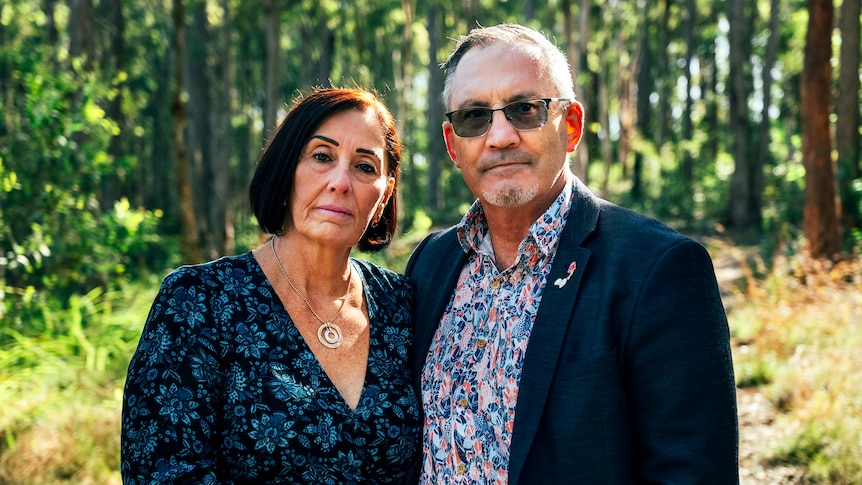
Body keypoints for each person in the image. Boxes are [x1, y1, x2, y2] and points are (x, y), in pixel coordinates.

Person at [405, 24, 739, 484]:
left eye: (525, 110)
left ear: (572, 125)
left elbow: (694, 472)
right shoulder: (430, 263)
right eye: (474, 117)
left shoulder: (657, 270)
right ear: (452, 145)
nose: (499, 136)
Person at [121, 87, 421, 484]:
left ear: (383, 197)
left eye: (365, 166)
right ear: (285, 172)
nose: (340, 181)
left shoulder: (402, 304)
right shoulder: (198, 300)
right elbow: (161, 472)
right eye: (321, 156)